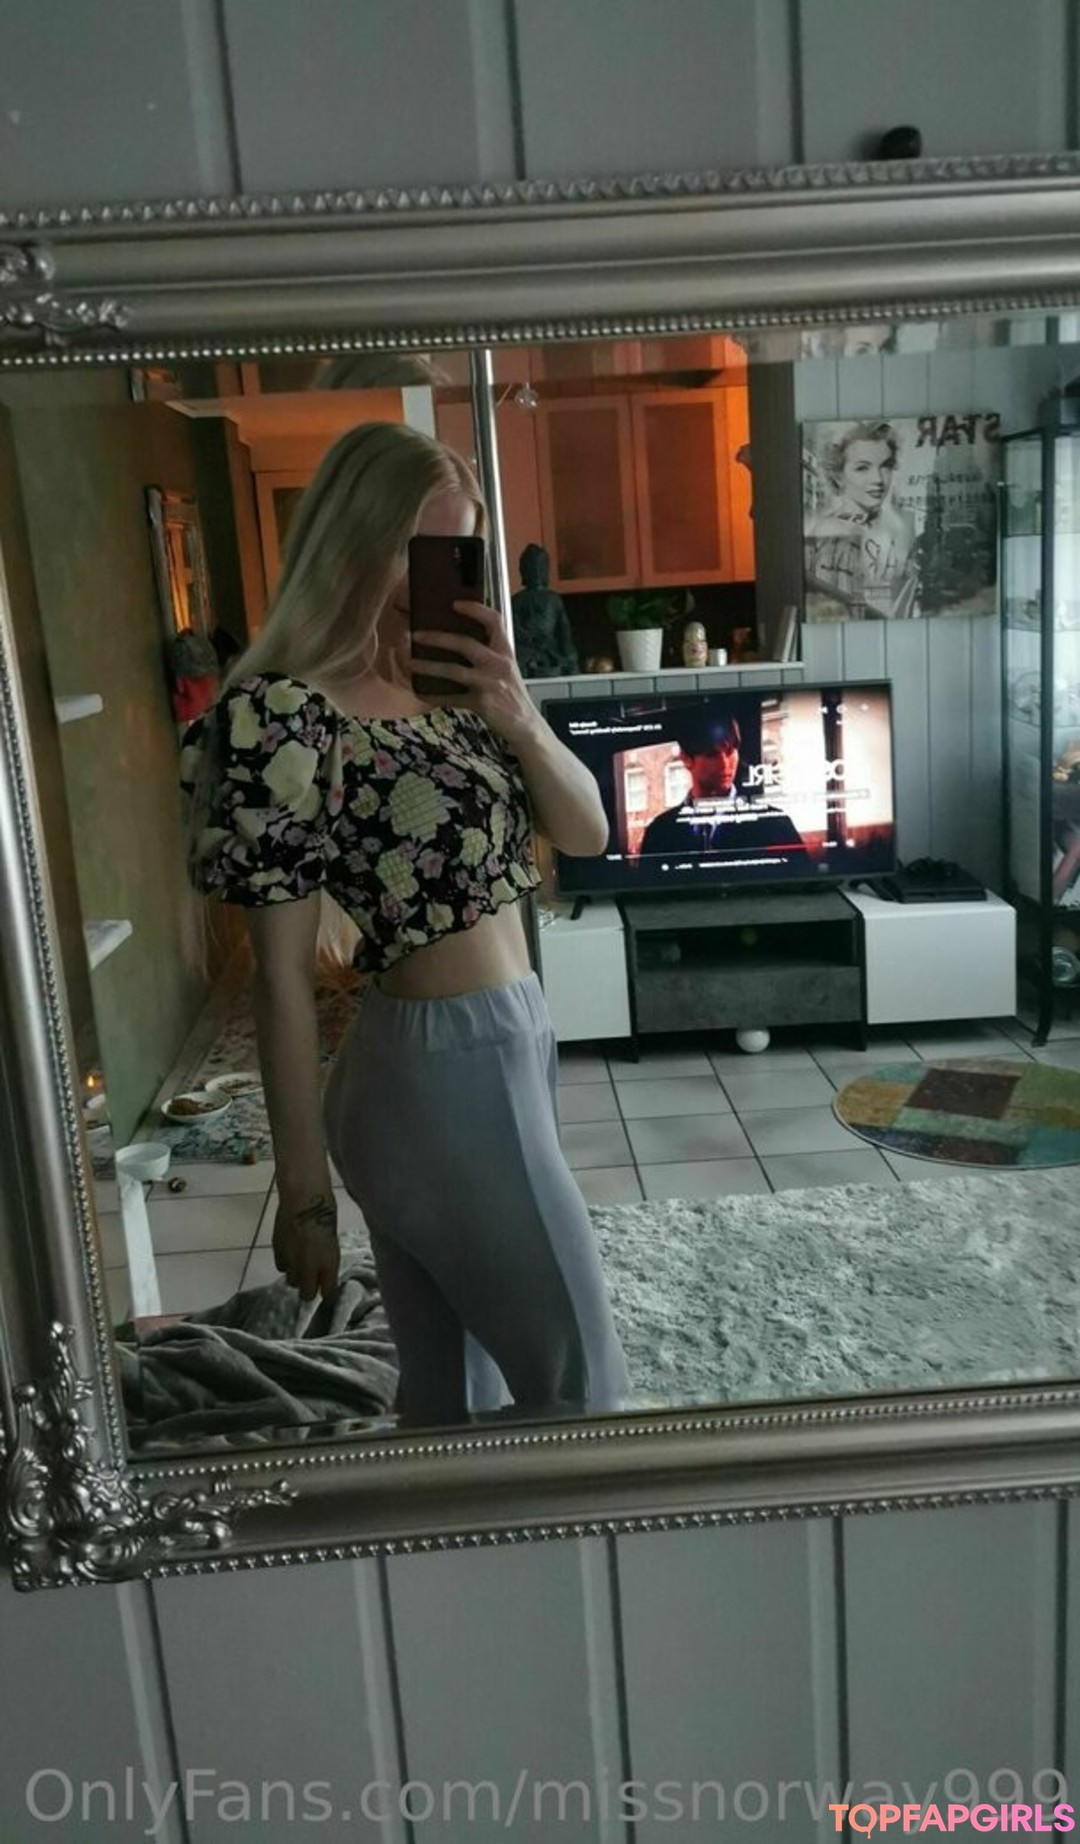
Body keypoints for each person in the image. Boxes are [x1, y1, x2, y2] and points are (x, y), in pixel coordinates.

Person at [180, 422, 629, 1429]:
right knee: (586, 1393)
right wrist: (304, 1194)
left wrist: (516, 710)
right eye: (415, 550)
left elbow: (588, 831)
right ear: (353, 539)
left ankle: (453, 1537)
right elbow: (279, 978)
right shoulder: (285, 715)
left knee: (449, 1397)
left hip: (501, 1046)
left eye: (455, 552)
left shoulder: (464, 691)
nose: (434, 577)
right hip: (435, 1072)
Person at [638, 710, 803, 858]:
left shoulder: (775, 824)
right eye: (712, 755)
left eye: (730, 751)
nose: (725, 764)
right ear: (686, 758)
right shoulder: (659, 832)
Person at [804, 420, 919, 619]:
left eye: (886, 466)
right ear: (838, 476)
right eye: (862, 468)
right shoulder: (822, 534)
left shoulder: (899, 528)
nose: (878, 479)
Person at [510, 542, 579, 678]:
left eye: (540, 568)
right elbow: (513, 627)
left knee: (566, 659)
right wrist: (530, 638)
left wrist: (568, 655)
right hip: (526, 648)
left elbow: (564, 631)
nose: (536, 572)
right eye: (532, 568)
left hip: (550, 648)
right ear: (523, 570)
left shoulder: (554, 599)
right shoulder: (517, 600)